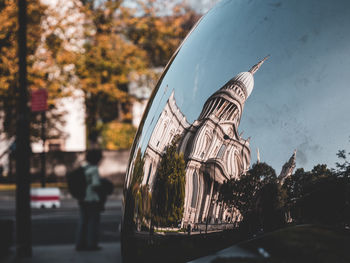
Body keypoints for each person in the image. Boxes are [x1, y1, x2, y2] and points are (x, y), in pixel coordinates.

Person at [76, 149, 103, 251]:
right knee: (93, 223)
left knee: (83, 222)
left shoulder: (84, 167)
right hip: (92, 199)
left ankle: (80, 244)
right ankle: (92, 244)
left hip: (82, 199)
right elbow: (96, 185)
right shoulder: (94, 169)